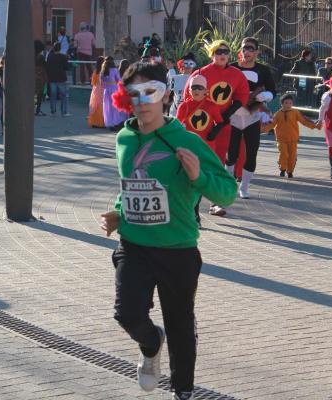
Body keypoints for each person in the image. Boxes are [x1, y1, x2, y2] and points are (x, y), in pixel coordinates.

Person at [102, 62, 237, 400]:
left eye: (151, 92)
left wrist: (199, 177)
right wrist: (119, 212)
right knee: (128, 314)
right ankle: (151, 345)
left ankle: (183, 391)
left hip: (177, 249)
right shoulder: (124, 138)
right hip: (134, 244)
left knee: (180, 325)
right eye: (133, 93)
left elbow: (226, 192)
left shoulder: (185, 140)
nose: (142, 100)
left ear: (166, 96)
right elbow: (131, 184)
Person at [183, 40, 249, 216]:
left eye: (225, 52)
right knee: (193, 164)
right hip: (199, 128)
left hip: (223, 126)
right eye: (218, 51)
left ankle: (216, 202)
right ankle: (190, 206)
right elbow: (187, 99)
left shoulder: (236, 74)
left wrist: (226, 115)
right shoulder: (199, 74)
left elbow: (242, 95)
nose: (222, 55)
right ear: (212, 54)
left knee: (217, 163)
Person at [225, 37, 276, 199]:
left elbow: (272, 91)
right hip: (233, 117)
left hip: (252, 117)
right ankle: (229, 185)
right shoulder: (231, 67)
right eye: (244, 48)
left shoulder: (263, 70)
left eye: (250, 48)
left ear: (257, 52)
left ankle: (244, 187)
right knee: (231, 154)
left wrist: (265, 96)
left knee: (252, 152)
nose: (246, 51)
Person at [176, 74, 224, 228]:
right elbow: (177, 124)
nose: (196, 91)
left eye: (199, 88)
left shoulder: (211, 106)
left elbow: (221, 122)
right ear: (189, 90)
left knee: (199, 182)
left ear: (206, 90)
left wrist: (215, 131)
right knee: (189, 182)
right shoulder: (184, 106)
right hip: (189, 149)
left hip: (206, 150)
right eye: (193, 88)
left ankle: (195, 215)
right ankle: (191, 213)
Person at [262, 93, 317, 177]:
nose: (288, 105)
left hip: (293, 138)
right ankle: (282, 168)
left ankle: (290, 171)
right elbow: (272, 124)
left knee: (292, 156)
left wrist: (313, 125)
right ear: (282, 104)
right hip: (281, 139)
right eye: (286, 103)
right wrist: (263, 129)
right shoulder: (278, 114)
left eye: (290, 103)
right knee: (284, 154)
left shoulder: (295, 112)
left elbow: (304, 120)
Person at [318, 70, 332, 178]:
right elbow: (322, 109)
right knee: (331, 146)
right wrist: (320, 120)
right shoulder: (328, 96)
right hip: (330, 123)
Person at [101, 56, 128, 130]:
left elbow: (102, 83)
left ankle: (110, 123)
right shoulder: (115, 70)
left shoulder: (103, 71)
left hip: (106, 91)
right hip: (114, 89)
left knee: (108, 107)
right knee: (115, 107)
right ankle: (117, 122)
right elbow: (119, 80)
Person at [46, 42, 70, 117]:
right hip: (61, 78)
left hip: (52, 78)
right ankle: (64, 111)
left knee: (53, 95)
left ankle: (53, 111)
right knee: (63, 95)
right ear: (60, 48)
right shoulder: (63, 57)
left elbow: (47, 67)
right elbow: (67, 67)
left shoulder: (50, 57)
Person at [88, 56, 106, 128]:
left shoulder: (96, 71)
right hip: (103, 90)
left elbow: (93, 82)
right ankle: (101, 122)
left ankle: (94, 122)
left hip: (96, 90)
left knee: (95, 106)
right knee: (102, 106)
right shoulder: (105, 71)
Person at [34, 40, 48, 116]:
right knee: (39, 95)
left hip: (32, 76)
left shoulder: (31, 56)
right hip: (40, 77)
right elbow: (45, 66)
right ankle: (37, 110)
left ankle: (34, 109)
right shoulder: (41, 57)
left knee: (34, 94)